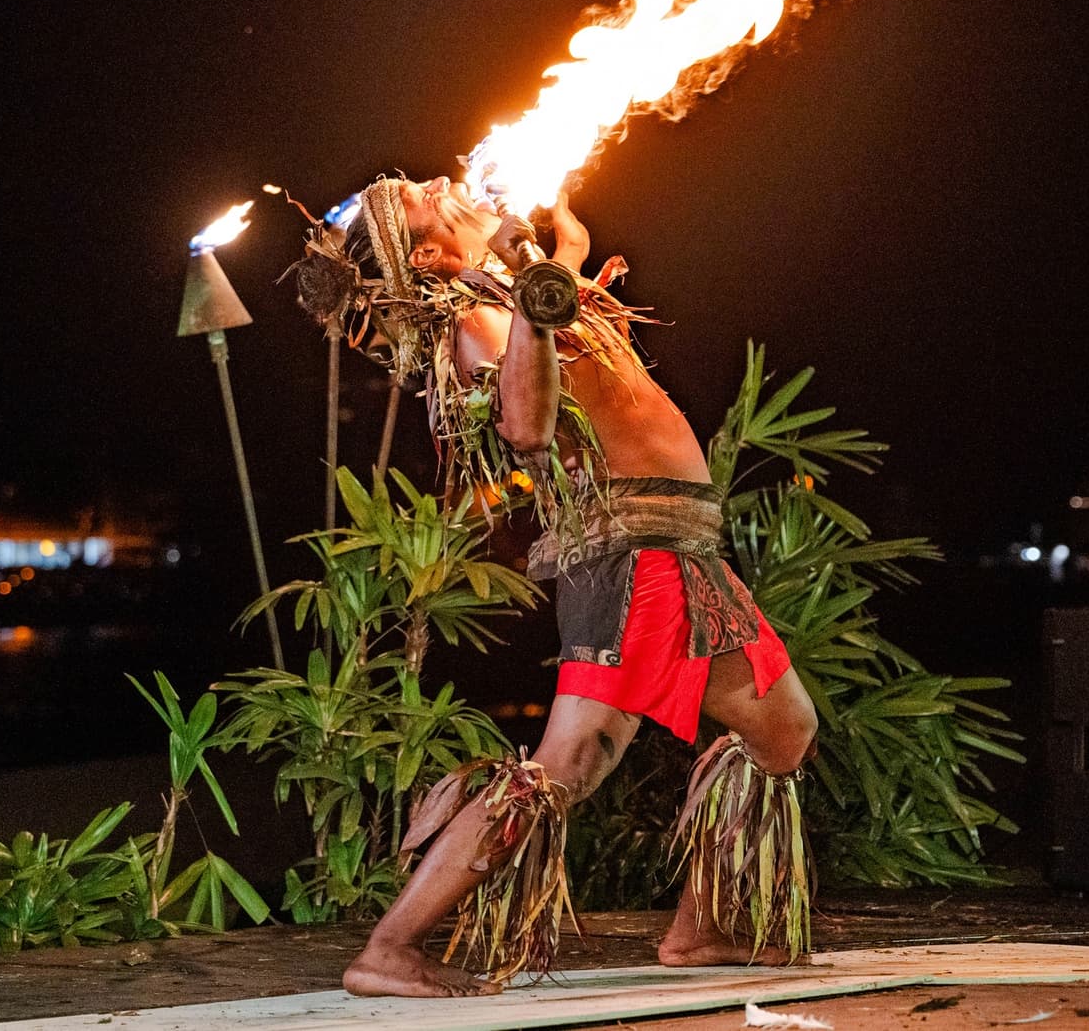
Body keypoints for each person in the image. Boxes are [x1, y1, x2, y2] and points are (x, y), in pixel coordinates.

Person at [293, 175, 820, 998]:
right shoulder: (476, 321)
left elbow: (577, 338)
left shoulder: (508, 295)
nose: (441, 178)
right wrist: (535, 297)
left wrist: (561, 254)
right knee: (568, 763)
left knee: (783, 728)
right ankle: (390, 947)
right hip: (631, 554)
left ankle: (702, 926)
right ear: (429, 253)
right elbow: (527, 426)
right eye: (420, 193)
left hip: (678, 547)